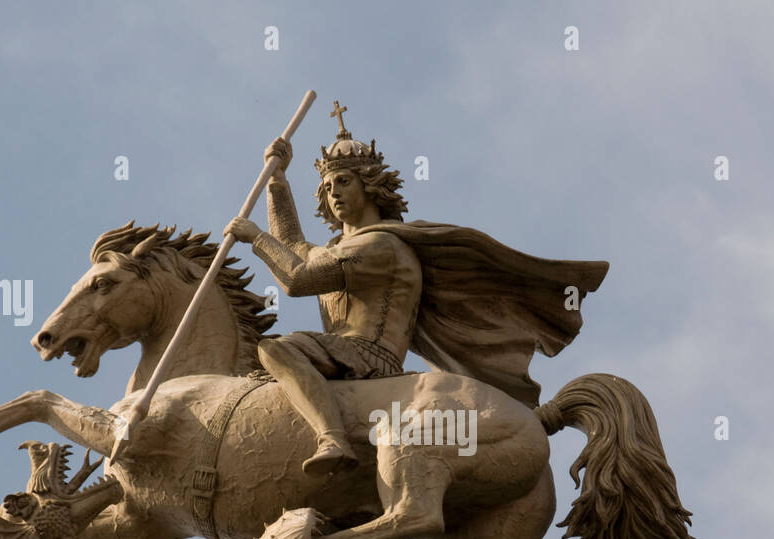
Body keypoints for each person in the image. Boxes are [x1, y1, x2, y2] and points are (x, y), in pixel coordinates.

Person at [226, 101, 610, 476]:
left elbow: (296, 279)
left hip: (367, 356)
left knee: (275, 349)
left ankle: (332, 438)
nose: (334, 193)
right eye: (327, 187)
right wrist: (277, 181)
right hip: (336, 353)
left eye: (344, 181)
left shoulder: (379, 246)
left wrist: (256, 238)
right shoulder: (338, 250)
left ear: (370, 185)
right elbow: (294, 249)